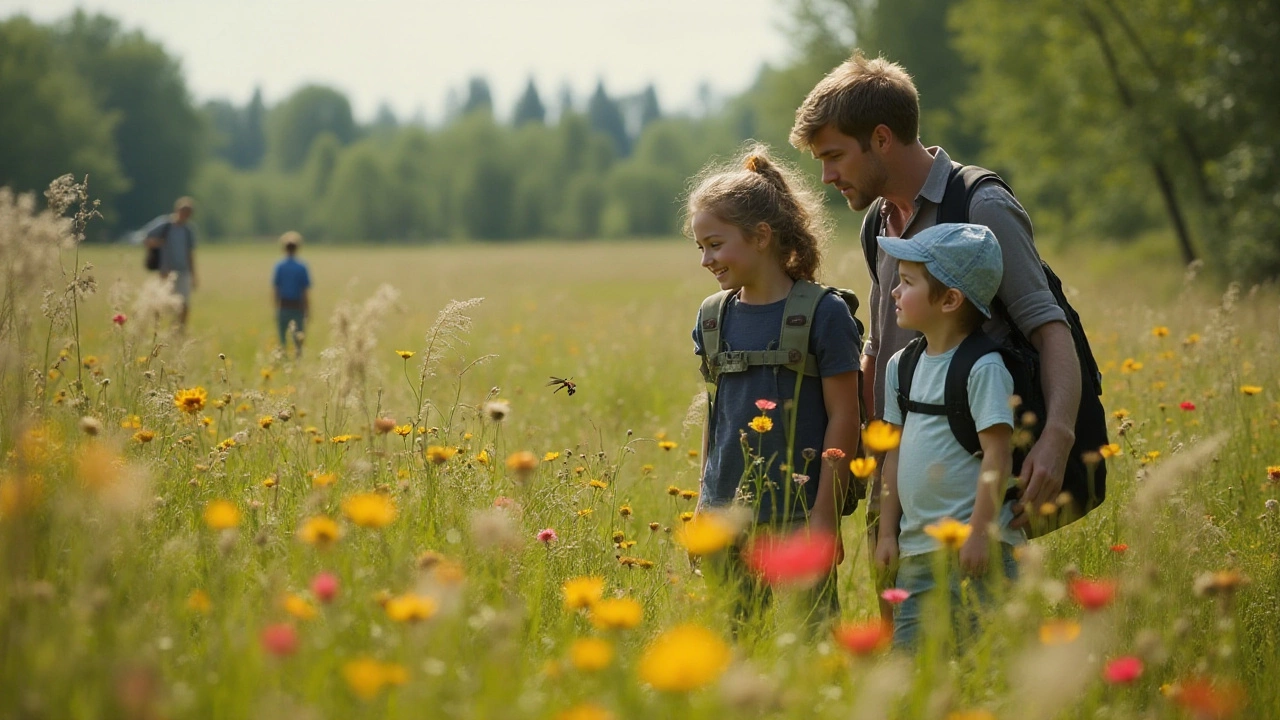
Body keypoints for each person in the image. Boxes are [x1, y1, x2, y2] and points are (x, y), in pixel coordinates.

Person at [789, 51, 1081, 623]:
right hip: (898, 469)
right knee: (904, 642)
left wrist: (1057, 437)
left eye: (833, 156)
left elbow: (1049, 327)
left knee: (976, 637)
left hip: (969, 479)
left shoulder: (981, 206)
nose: (826, 176)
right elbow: (880, 344)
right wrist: (858, 458)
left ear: (880, 138)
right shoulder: (879, 222)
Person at [687, 144, 861, 628]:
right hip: (726, 516)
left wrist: (825, 516)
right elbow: (716, 417)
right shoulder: (711, 317)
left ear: (762, 235)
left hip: (798, 517)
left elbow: (845, 418)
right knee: (735, 648)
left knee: (808, 647)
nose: (706, 259)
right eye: (700, 246)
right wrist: (704, 504)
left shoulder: (825, 313)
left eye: (716, 244)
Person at [870, 223, 1021, 651]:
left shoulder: (984, 368)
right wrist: (887, 534)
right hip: (916, 552)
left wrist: (979, 533)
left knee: (985, 667)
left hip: (980, 552)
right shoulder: (901, 365)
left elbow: (997, 454)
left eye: (906, 282)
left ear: (950, 300)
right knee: (911, 667)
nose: (894, 293)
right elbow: (892, 456)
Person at [143, 197, 199, 328]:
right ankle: (157, 329)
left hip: (183, 271)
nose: (185, 215)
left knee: (184, 303)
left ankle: (179, 330)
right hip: (165, 271)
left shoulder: (188, 230)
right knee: (163, 301)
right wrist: (160, 243)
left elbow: (190, 253)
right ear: (177, 210)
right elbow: (146, 239)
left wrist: (194, 275)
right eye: (184, 211)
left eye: (188, 213)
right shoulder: (164, 225)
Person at [272, 231, 311, 358]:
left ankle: (284, 364)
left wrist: (275, 308)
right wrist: (307, 310)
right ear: (297, 248)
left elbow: (276, 289)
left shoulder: (279, 266)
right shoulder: (301, 267)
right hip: (297, 307)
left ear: (284, 247)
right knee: (298, 340)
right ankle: (297, 364)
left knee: (282, 340)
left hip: (283, 306)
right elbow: (305, 291)